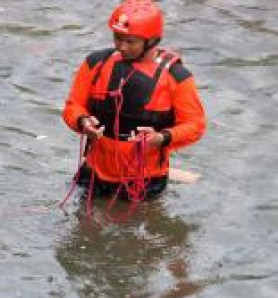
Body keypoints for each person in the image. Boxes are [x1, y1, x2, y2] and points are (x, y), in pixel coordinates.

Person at [62, 0, 206, 201]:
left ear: (151, 41)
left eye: (130, 41)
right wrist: (83, 121)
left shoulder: (177, 77)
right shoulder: (96, 63)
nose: (121, 46)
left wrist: (161, 138)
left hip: (145, 180)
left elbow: (195, 125)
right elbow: (73, 106)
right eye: (117, 38)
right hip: (94, 172)